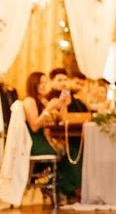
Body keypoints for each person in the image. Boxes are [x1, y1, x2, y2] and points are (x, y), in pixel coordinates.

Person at [23, 71, 81, 200]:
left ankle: (67, 189)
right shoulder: (30, 101)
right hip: (38, 142)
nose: (43, 86)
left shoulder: (43, 100)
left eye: (45, 82)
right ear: (34, 85)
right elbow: (34, 126)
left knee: (75, 150)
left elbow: (61, 120)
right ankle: (65, 189)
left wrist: (63, 103)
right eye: (40, 83)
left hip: (50, 139)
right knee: (72, 152)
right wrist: (48, 108)